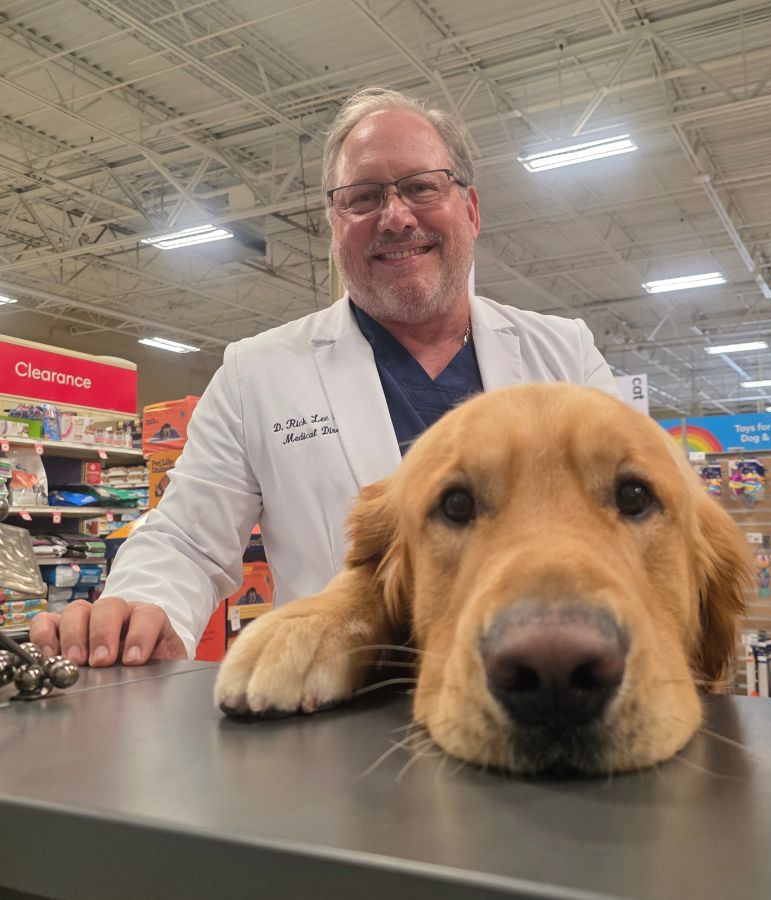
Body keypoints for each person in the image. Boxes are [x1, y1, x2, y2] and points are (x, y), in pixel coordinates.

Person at [30, 87, 620, 667]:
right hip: (340, 717)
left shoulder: (564, 353)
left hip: (541, 685)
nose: (394, 217)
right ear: (334, 224)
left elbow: (633, 521)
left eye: (420, 187)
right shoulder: (255, 373)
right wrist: (140, 608)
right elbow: (187, 539)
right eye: (362, 198)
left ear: (470, 208)